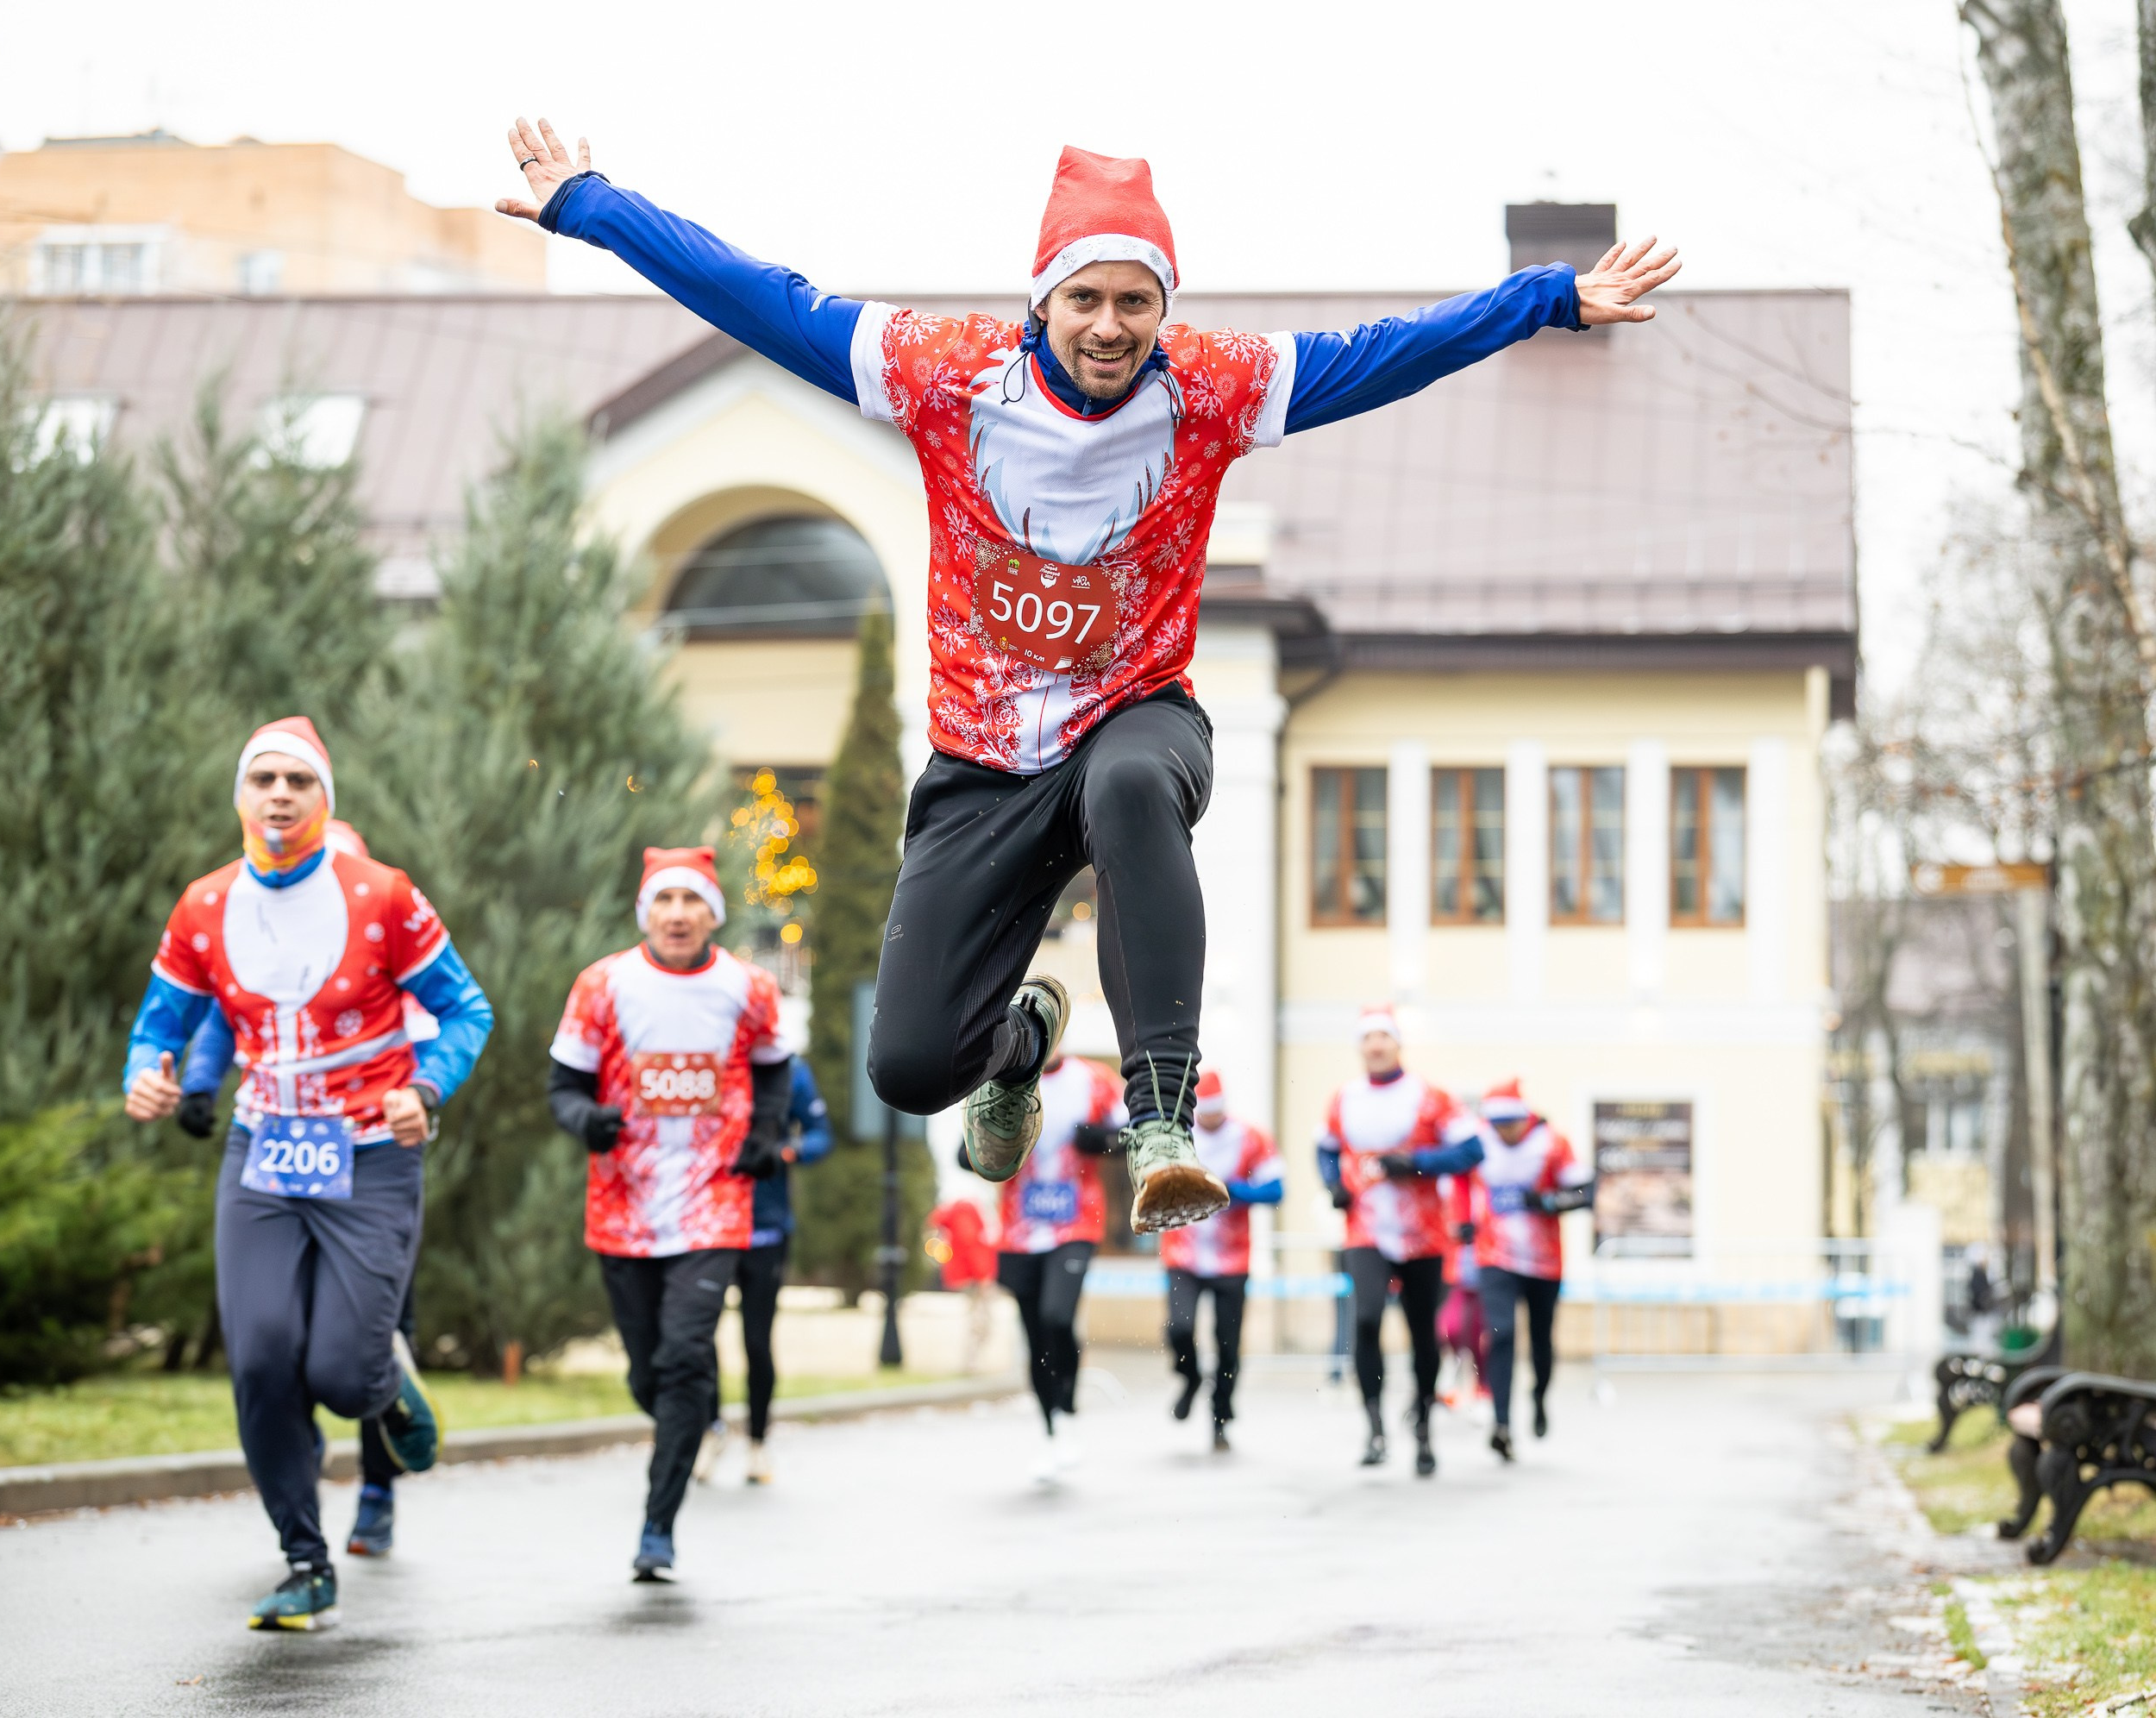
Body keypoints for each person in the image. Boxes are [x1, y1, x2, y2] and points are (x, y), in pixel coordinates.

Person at [497, 118, 1678, 1250]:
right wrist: (591, 208)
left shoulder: (1215, 387)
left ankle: (1157, 1111)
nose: (1110, 327)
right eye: (1087, 300)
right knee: (910, 1065)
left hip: (1139, 719)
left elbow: (1388, 353)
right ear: (1042, 302)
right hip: (983, 761)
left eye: (1136, 302)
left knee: (1126, 791)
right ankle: (1021, 1052)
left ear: (1165, 310)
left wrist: (1552, 301)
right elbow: (764, 299)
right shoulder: (944, 375)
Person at [122, 718, 492, 1631]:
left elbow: (466, 1010)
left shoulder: (382, 895)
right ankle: (304, 1560)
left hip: (369, 1150)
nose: (279, 794)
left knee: (337, 1372)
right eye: (262, 780)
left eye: (297, 779)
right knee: (256, 1356)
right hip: (263, 1153)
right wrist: (147, 1071)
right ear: (239, 797)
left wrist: (427, 1086)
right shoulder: (204, 905)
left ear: (325, 796)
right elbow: (161, 1021)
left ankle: (384, 1382)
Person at [172, 819, 440, 1560]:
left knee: (365, 1349)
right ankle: (301, 1478)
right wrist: (198, 1084)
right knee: (278, 1340)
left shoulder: (388, 953)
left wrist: (420, 1094)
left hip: (372, 1162)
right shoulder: (266, 944)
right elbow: (231, 1019)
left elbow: (435, 1037)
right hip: (284, 1164)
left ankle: (378, 1495)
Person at [545, 847, 793, 1580]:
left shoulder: (747, 988)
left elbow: (776, 1071)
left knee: (685, 1357)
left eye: (692, 902)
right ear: (646, 913)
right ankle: (680, 1424)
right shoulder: (602, 984)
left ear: (712, 913)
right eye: (665, 902)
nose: (678, 915)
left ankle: (659, 1526)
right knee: (650, 1374)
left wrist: (764, 1135)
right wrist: (586, 1119)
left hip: (715, 1198)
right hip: (624, 1203)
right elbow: (563, 1087)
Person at [1317, 1008, 1482, 1476]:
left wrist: (1414, 1163)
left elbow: (1472, 1150)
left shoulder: (1430, 1097)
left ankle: (1424, 1425)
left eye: (1383, 1038)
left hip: (1424, 1234)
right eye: (1367, 1038)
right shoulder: (1344, 1098)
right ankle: (1374, 1428)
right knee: (1366, 1319)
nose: (1375, 1046)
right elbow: (1326, 1148)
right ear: (1359, 1047)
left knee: (1422, 1334)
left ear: (1397, 1044)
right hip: (1366, 1231)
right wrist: (1334, 1185)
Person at [979, 1038, 1125, 1477]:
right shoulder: (1002, 1078)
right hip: (1019, 1231)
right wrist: (979, 1155)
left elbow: (1130, 1133)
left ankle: (1068, 1401)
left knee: (1058, 1317)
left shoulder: (1094, 1080)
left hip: (1075, 1224)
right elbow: (970, 1146)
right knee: (1034, 1333)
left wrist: (1099, 1141)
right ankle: (1050, 1429)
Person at [700, 1055, 833, 1487]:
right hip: (709, 1225)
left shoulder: (792, 1070)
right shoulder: (709, 1056)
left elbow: (820, 1136)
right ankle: (710, 1430)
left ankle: (758, 1443)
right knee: (698, 1336)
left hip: (766, 1229)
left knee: (757, 1342)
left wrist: (784, 1151)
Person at [1469, 1080, 1594, 1462]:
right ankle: (1502, 1424)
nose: (1505, 1130)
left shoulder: (1554, 1144)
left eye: (1511, 1122)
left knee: (1541, 1339)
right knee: (1501, 1333)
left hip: (1544, 1262)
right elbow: (1453, 1178)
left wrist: (1548, 1201)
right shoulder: (1479, 1142)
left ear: (1526, 1117)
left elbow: (1586, 1193)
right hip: (1495, 1257)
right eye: (1498, 1123)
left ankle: (1539, 1396)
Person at [1157, 1069, 1282, 1452]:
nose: (1209, 1120)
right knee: (1179, 1328)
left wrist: (1230, 1190)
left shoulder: (1250, 1137)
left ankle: (1221, 1416)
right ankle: (1190, 1376)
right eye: (1204, 1114)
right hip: (1184, 1254)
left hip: (1232, 1258)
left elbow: (1276, 1189)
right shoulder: (1177, 1138)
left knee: (1227, 1345)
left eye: (1216, 1113)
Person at [924, 1195, 1000, 1375]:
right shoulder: (966, 1213)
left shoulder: (954, 1216)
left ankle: (971, 1360)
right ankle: (971, 1362)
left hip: (969, 1275)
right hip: (977, 1277)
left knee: (978, 1319)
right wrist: (983, 1276)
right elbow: (971, 1243)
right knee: (981, 1320)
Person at [1434, 1169, 1488, 1414]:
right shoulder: (1448, 1180)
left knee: (1481, 1332)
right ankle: (1449, 1376)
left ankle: (1483, 1390)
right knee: (1451, 1328)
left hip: (1486, 1266)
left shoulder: (1489, 1177)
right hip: (1453, 1267)